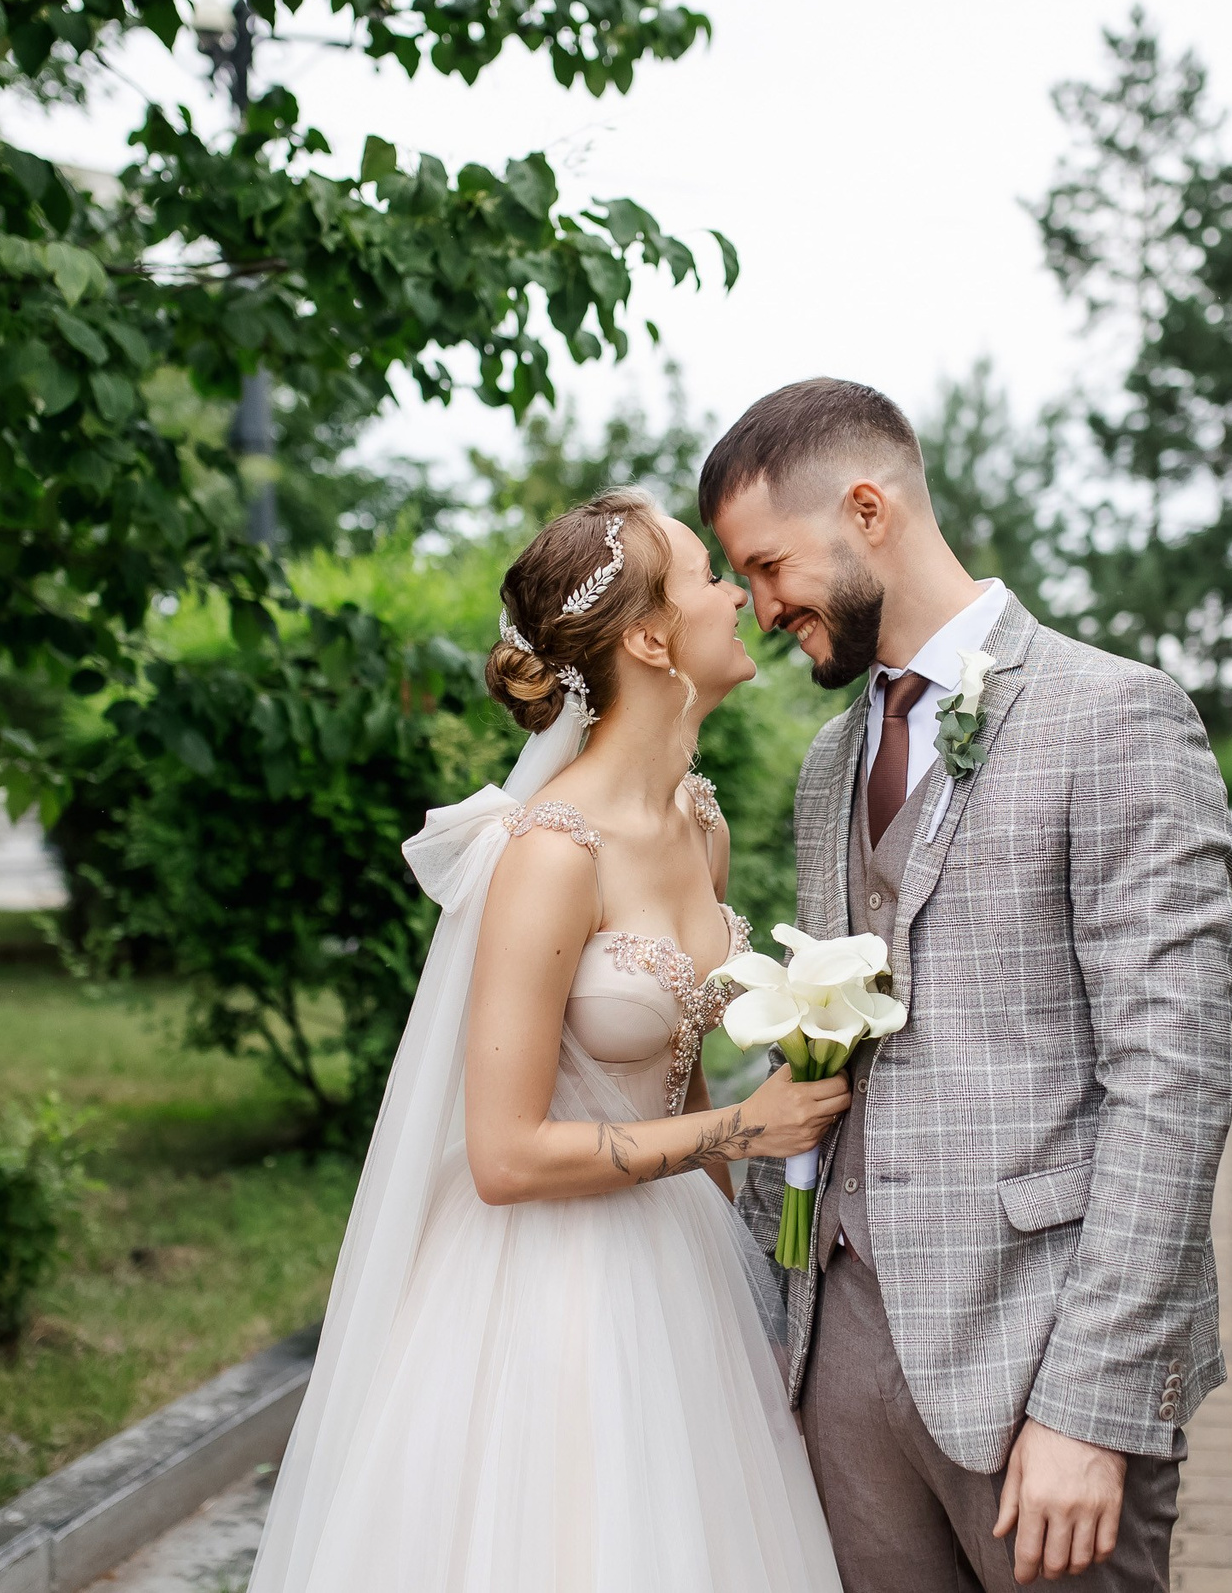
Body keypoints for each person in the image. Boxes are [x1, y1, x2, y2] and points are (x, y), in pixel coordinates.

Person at [247, 487, 847, 1593]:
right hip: (550, 1299)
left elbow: (676, 1090)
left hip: (685, 1274)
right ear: (651, 636)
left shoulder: (697, 821)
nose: (735, 594)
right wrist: (746, 1126)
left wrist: (764, 1288)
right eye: (706, 575)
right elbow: (504, 1156)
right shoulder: (548, 855)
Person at [702, 379, 1232, 1593]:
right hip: (840, 1340)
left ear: (866, 507)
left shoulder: (1116, 714)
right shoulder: (831, 755)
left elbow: (1174, 1085)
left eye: (771, 564)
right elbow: (823, 1049)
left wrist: (1092, 1408)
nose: (762, 605)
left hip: (1038, 1350)